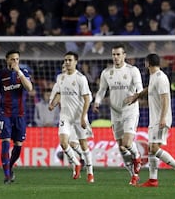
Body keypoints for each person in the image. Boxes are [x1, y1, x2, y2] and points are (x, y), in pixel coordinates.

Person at [125, 53, 175, 187]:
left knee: (153, 148)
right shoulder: (154, 76)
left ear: (147, 63)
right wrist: (138, 95)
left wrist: (163, 117)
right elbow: (150, 88)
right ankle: (153, 180)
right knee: (152, 147)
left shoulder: (161, 78)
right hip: (155, 118)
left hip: (161, 118)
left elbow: (165, 98)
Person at [93, 44, 143, 186]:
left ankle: (137, 156)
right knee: (121, 147)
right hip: (115, 113)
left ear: (124, 55)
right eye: (114, 54)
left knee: (127, 143)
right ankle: (133, 175)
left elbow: (139, 88)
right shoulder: (107, 73)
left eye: (118, 54)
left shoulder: (133, 71)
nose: (116, 57)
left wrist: (135, 96)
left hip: (130, 110)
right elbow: (102, 90)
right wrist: (97, 102)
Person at [0, 49, 33, 184]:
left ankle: (10, 166)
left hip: (19, 115)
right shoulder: (0, 75)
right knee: (5, 143)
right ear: (6, 60)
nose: (15, 62)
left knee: (18, 145)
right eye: (12, 59)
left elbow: (29, 88)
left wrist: (18, 71)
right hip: (4, 114)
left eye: (17, 59)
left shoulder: (23, 73)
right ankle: (7, 175)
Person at [49, 52, 94, 183]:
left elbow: (87, 99)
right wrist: (53, 103)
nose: (67, 62)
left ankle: (90, 173)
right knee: (63, 143)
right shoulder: (60, 78)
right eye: (66, 60)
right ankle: (76, 163)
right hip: (65, 115)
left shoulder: (81, 78)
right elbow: (59, 93)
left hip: (78, 116)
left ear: (76, 62)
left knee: (83, 144)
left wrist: (83, 117)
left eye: (70, 60)